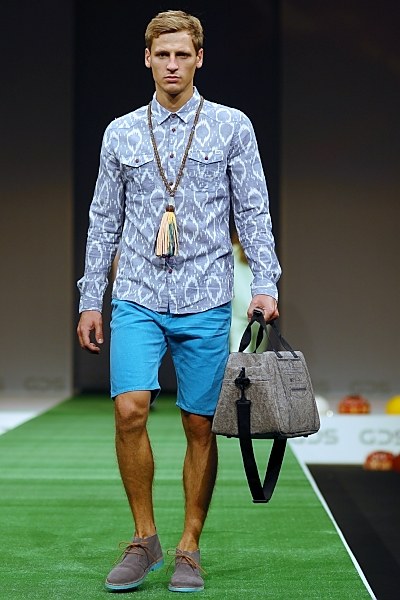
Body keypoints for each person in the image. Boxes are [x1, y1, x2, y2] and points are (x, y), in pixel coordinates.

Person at [76, 9, 281, 594]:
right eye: (162, 54)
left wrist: (265, 283)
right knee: (129, 409)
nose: (172, 64)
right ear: (147, 58)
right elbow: (103, 221)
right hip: (137, 293)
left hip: (206, 296)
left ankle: (189, 546)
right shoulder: (121, 132)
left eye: (182, 54)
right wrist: (91, 298)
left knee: (199, 423)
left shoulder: (232, 126)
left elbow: (254, 210)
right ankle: (145, 538)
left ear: (199, 59)